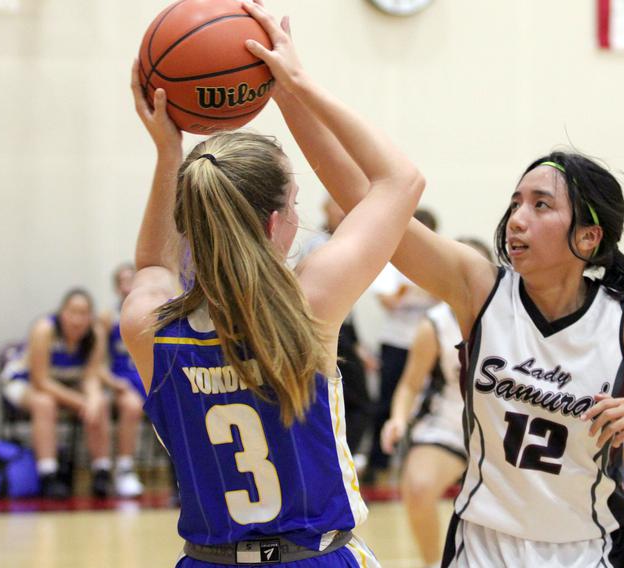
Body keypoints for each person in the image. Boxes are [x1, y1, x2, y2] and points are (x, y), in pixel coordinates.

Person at [281, 90, 624, 566]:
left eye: (541, 206)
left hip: (591, 548)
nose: (517, 220)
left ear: (588, 236)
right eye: (516, 202)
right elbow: (365, 198)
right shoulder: (478, 289)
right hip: (482, 544)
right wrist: (290, 89)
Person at [121, 2, 424, 566]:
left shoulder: (151, 323)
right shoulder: (308, 305)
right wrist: (292, 87)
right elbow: (400, 180)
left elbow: (151, 267)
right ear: (272, 224)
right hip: (316, 557)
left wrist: (169, 150)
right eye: (294, 205)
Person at [380, 238, 492, 568]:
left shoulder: (516, 317)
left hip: (509, 429)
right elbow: (410, 385)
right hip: (454, 424)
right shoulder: (436, 323)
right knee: (417, 487)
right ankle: (433, 564)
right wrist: (398, 418)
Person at [1, 288, 112, 498]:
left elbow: (90, 377)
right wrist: (81, 402)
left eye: (84, 313)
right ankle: (48, 474)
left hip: (66, 383)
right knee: (45, 403)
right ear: (62, 313)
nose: (78, 320)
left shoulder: (96, 334)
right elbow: (40, 381)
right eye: (73, 312)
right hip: (24, 381)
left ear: (90, 316)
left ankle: (101, 472)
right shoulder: (45, 329)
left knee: (101, 403)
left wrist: (94, 399)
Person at [293, 198, 374, 458]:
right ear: (325, 210)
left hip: (341, 330)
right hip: (319, 329)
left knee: (353, 399)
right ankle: (336, 454)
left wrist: (358, 344)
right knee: (331, 398)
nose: (342, 212)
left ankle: (343, 452)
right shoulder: (321, 246)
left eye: (344, 207)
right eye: (336, 207)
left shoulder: (341, 245)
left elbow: (350, 304)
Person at [365, 208, 440, 481]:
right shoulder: (389, 261)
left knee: (429, 404)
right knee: (386, 403)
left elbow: (445, 293)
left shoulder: (438, 262)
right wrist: (420, 289)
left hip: (429, 342)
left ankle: (421, 459)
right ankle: (378, 462)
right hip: (395, 342)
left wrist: (417, 289)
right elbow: (390, 301)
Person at [98, 262, 146, 498]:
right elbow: (96, 364)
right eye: (122, 281)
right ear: (117, 288)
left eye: (132, 280)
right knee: (131, 406)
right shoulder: (108, 317)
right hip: (122, 380)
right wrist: (111, 383)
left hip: (149, 376)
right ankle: (125, 468)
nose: (128, 286)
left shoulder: (153, 311)